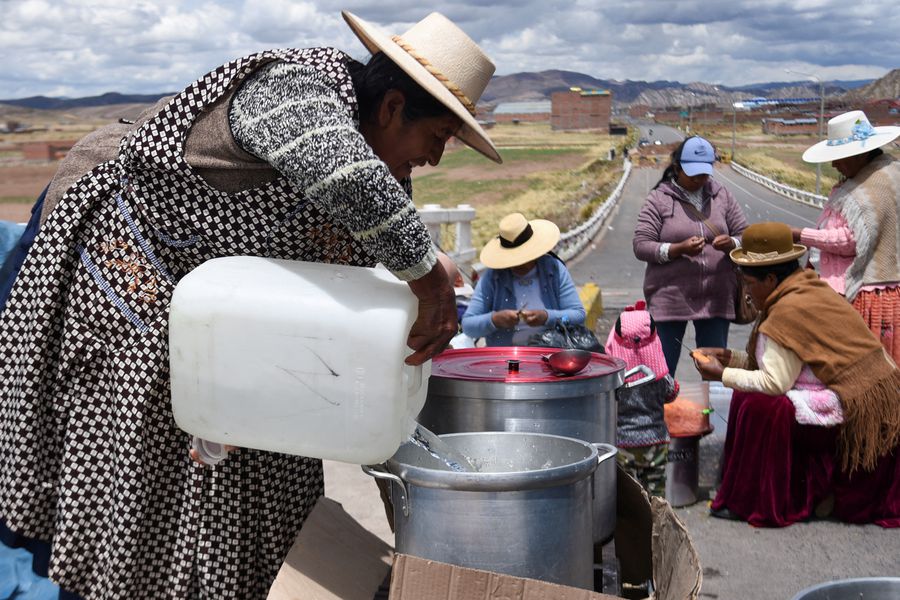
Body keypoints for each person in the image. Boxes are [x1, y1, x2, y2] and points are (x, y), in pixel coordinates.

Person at [0, 11, 501, 600]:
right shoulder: (292, 89)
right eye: (438, 137)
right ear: (392, 107)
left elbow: (345, 276)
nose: (437, 159)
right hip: (127, 291)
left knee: (256, 464)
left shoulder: (382, 165)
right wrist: (429, 276)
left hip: (218, 319)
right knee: (143, 480)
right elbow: (345, 178)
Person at [693, 222, 900, 528]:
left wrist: (722, 373)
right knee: (754, 395)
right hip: (877, 391)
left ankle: (753, 499)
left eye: (749, 283)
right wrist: (734, 358)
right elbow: (791, 360)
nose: (747, 292)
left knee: (758, 406)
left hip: (864, 409)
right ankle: (818, 492)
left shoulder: (788, 310)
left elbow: (775, 382)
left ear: (772, 278)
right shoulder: (808, 287)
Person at [633, 135, 748, 375]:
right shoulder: (659, 199)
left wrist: (732, 243)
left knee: (714, 371)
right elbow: (641, 245)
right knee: (663, 373)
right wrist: (677, 249)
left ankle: (709, 412)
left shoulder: (722, 195)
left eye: (704, 174)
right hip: (670, 298)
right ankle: (662, 411)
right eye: (693, 174)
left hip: (716, 297)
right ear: (677, 168)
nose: (700, 180)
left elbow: (745, 234)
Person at [794, 110, 900, 363]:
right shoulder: (878, 175)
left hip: (870, 292)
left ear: (859, 154)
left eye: (839, 158)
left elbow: (852, 240)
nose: (834, 165)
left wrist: (801, 235)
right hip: (875, 289)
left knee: (863, 368)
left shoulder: (872, 187)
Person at [462, 212, 585, 346]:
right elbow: (468, 326)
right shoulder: (493, 277)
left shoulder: (553, 269)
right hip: (505, 358)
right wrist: (494, 320)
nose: (519, 263)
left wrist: (547, 317)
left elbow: (578, 316)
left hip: (551, 354)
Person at [605, 300, 678, 497]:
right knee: (656, 498)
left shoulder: (615, 379)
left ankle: (632, 527)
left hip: (623, 443)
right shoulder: (661, 377)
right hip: (656, 442)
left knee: (628, 499)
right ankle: (656, 527)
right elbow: (672, 393)